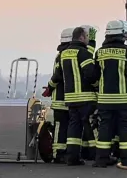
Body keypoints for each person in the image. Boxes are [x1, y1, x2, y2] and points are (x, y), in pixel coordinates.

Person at [92, 20, 127, 167]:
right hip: (123, 99)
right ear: (121, 34)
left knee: (104, 128)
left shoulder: (99, 52)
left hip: (105, 100)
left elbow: (94, 75)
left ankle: (101, 159)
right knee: (124, 128)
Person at [57, 25, 98, 165]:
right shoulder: (83, 53)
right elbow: (90, 74)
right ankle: (97, 155)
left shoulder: (64, 54)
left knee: (74, 127)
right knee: (90, 126)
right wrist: (97, 85)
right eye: (87, 37)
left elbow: (59, 74)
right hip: (85, 97)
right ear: (81, 37)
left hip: (70, 98)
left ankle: (72, 158)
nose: (87, 40)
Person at [42, 28, 72, 162]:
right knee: (61, 127)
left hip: (61, 99)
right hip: (63, 99)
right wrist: (50, 87)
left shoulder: (60, 55)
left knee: (62, 127)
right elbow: (58, 76)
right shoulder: (64, 55)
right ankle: (58, 154)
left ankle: (61, 153)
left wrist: (50, 87)